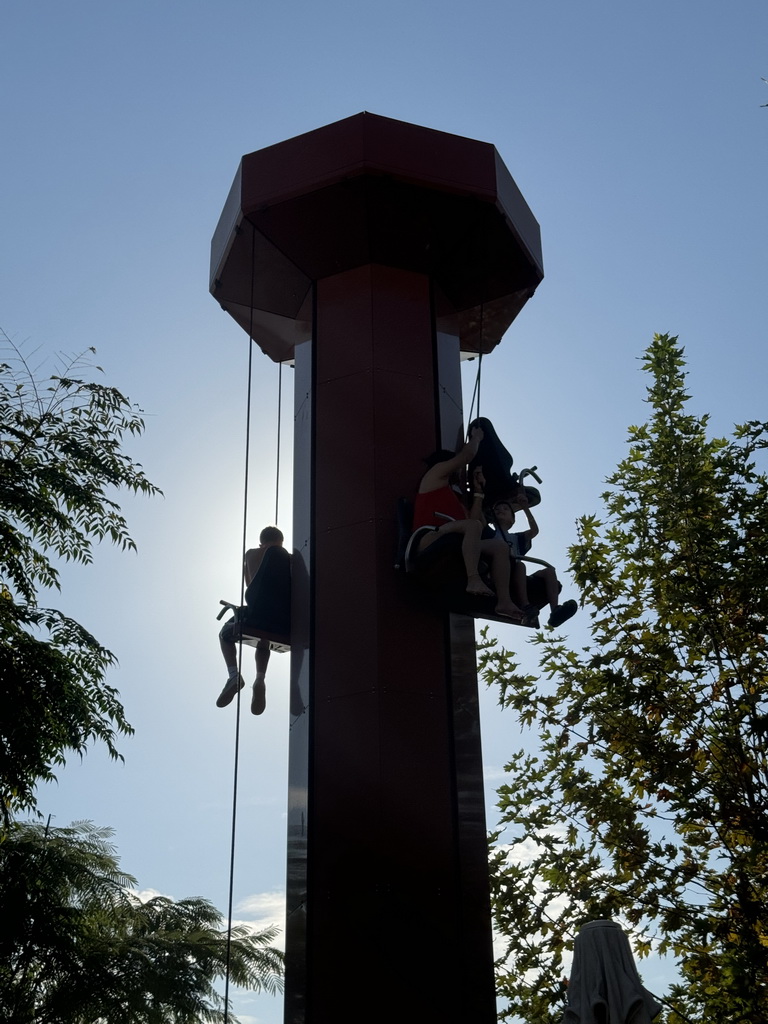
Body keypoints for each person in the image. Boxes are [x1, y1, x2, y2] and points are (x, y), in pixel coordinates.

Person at [413, 426, 523, 620]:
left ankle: (504, 601)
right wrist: (476, 438)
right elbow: (467, 456)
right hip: (428, 538)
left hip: (453, 538)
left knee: (499, 547)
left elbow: (476, 521)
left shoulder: (456, 498)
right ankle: (473, 579)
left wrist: (478, 490)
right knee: (471, 527)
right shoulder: (434, 476)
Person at [216, 525, 286, 715]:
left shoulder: (252, 554)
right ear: (282, 542)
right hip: (284, 623)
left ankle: (233, 676)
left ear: (261, 542)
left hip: (257, 616)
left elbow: (251, 587)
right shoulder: (291, 559)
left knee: (224, 634)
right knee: (265, 640)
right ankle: (260, 679)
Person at [487, 493, 577, 628]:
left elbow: (534, 531)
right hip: (501, 571)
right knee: (520, 565)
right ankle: (525, 605)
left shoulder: (517, 538)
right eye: (497, 510)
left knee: (549, 571)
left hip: (517, 575)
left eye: (506, 509)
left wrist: (525, 507)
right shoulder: (490, 534)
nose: (501, 511)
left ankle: (555, 610)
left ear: (512, 520)